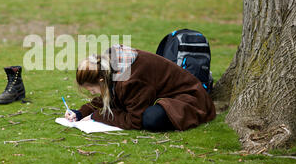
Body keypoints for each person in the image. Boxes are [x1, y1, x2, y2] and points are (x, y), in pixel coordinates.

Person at [65, 44, 216, 131]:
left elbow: (135, 121)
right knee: (138, 111)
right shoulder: (110, 69)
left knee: (150, 119)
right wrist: (80, 113)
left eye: (92, 90)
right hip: (165, 96)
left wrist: (96, 116)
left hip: (189, 98)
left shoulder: (131, 79)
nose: (92, 93)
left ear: (100, 80)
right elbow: (107, 97)